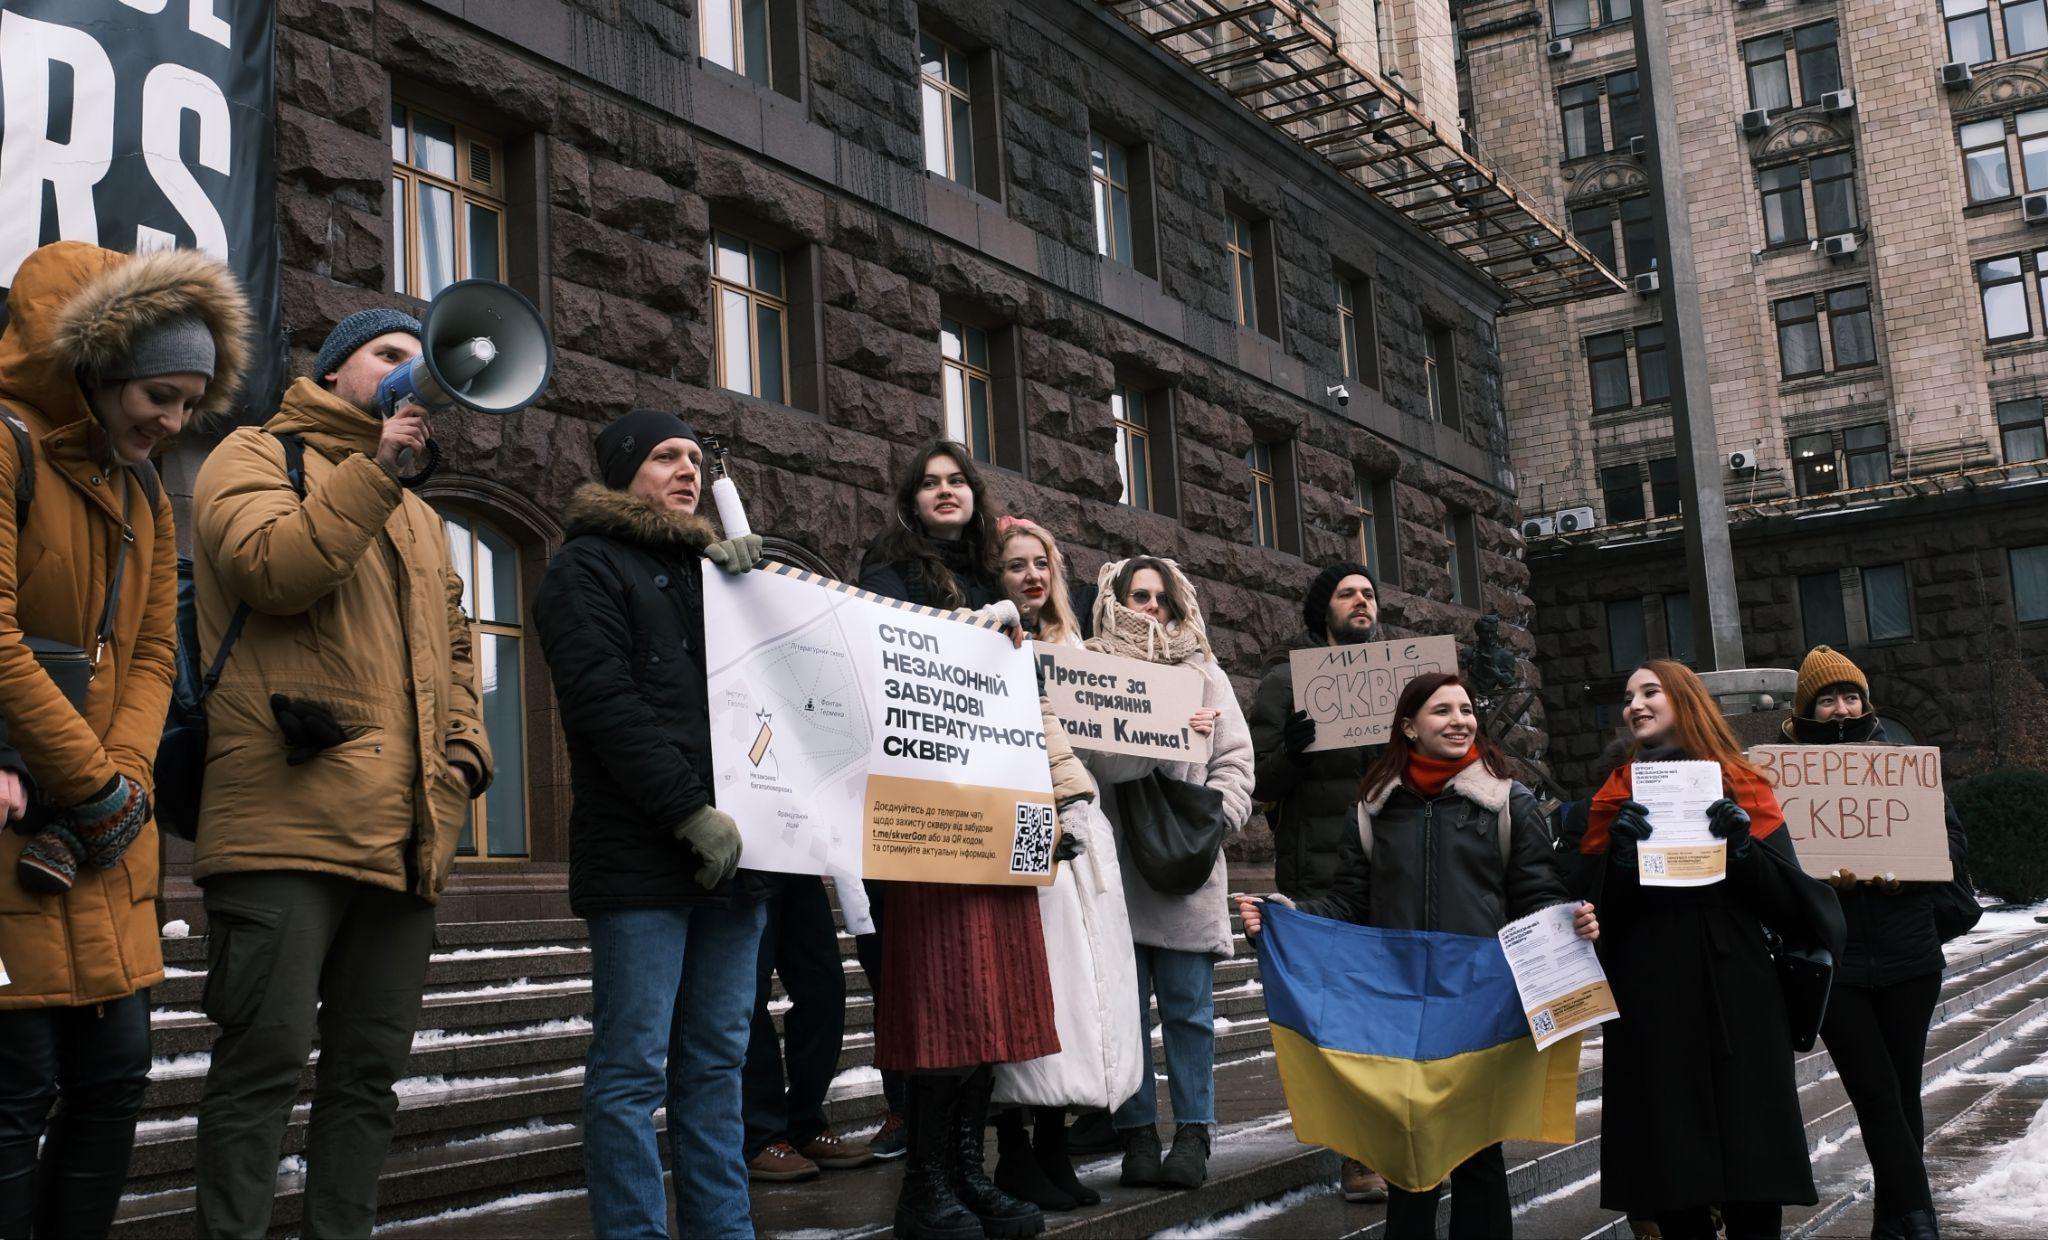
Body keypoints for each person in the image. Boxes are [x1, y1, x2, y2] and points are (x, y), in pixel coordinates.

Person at [188, 306, 494, 1237]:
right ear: (332, 373)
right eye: (389, 354)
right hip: (284, 821)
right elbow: (275, 571)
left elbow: (454, 654)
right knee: (263, 1067)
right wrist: (374, 471)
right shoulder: (251, 456)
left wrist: (466, 758)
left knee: (366, 1081)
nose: (411, 371)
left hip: (404, 837)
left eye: (420, 356)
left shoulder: (420, 516)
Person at [0, 241, 249, 1239]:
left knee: (112, 1082)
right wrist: (93, 780)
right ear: (94, 367)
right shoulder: (9, 445)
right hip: (27, 829)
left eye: (190, 402)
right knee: (14, 1097)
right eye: (158, 394)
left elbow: (152, 660)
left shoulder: (146, 494)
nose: (173, 422)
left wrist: (123, 784)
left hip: (101, 838)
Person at [1235, 672, 1598, 1239]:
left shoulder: (1510, 802)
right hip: (1399, 1008)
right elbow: (1348, 901)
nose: (1460, 720)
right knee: (1405, 1156)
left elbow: (1537, 896)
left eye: (1466, 709)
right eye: (1442, 711)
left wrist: (1570, 918)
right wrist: (1282, 915)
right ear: (1409, 726)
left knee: (1478, 1153)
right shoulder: (1374, 807)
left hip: (1480, 1004)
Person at [532, 408, 775, 1237]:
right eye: (666, 456)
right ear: (622, 470)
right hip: (641, 856)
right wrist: (686, 811)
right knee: (633, 1071)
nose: (688, 470)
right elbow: (605, 706)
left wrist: (760, 594)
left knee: (716, 1065)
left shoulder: (722, 579)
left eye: (696, 459)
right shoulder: (584, 569)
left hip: (739, 859)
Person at [858, 442, 1061, 1240]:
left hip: (998, 815)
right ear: (911, 502)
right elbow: (883, 663)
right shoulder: (887, 569)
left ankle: (968, 1173)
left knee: (993, 1009)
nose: (945, 492)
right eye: (930, 484)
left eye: (957, 482)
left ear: (975, 498)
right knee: (944, 1008)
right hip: (930, 825)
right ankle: (926, 1185)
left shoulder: (991, 574)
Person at [1574, 659, 1843, 1240]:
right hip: (1649, 990)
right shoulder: (1610, 798)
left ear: (1686, 702)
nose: (1635, 704)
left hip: (1739, 987)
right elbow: (1592, 912)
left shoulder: (1744, 785)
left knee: (1753, 1156)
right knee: (1669, 1160)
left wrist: (1743, 849)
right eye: (1628, 696)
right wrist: (1619, 861)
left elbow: (1789, 905)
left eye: (1651, 692)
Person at [1789, 647, 1974, 1240]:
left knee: (1901, 1092)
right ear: (1808, 708)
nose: (1840, 707)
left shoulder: (1904, 769)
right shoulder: (1785, 779)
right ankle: (1920, 1221)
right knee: (1874, 1092)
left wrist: (1904, 872)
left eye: (1850, 696)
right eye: (1826, 697)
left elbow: (1951, 850)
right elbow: (1775, 867)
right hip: (1838, 966)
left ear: (1865, 704)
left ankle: (1892, 1221)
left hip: (1910, 958)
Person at [1082, 556, 1254, 1192]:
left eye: (1160, 597)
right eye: (1137, 595)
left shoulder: (1204, 675)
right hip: (1118, 870)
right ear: (1117, 600)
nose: (1149, 607)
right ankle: (1136, 1136)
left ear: (1178, 605)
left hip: (1187, 868)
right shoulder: (1093, 669)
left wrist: (1217, 819)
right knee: (1126, 1015)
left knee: (1188, 1012)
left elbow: (1236, 759)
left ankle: (1193, 1134)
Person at [987, 518, 1143, 1212]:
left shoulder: (1075, 649)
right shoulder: (986, 637)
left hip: (1073, 822)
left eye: (1041, 562)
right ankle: (1016, 1153)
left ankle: (1049, 1144)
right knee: (1029, 982)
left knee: (1072, 995)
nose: (1031, 575)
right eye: (1015, 564)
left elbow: (1113, 750)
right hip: (1014, 818)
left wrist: (1171, 728)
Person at [1245, 559, 1389, 1202]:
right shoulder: (1284, 683)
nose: (1361, 602)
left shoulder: (1401, 680)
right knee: (1341, 1017)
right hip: (1320, 873)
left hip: (1395, 869)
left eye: (1368, 594)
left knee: (1391, 1011)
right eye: (1347, 593)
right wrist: (1294, 754)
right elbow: (1259, 784)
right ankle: (1357, 1155)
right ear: (1321, 609)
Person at [742, 869, 875, 1181]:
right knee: (750, 996)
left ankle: (803, 1123)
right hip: (749, 861)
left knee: (824, 989)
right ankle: (760, 1135)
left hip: (798, 860)